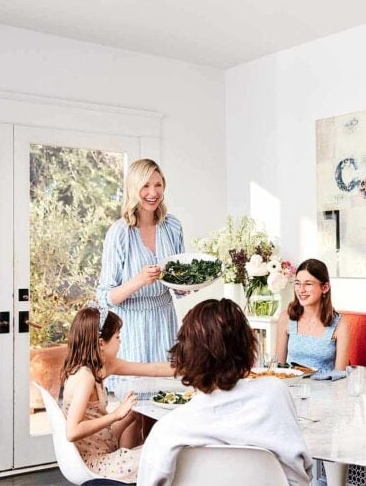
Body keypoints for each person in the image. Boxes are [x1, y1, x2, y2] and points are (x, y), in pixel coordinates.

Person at [137, 299, 312, 486]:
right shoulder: (275, 394)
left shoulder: (167, 432)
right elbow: (299, 476)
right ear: (248, 346)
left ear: (184, 355)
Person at [60, 305, 174, 483]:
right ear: (101, 343)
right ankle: (125, 471)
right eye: (117, 337)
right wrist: (116, 415)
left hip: (104, 441)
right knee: (166, 456)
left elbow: (153, 369)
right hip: (96, 462)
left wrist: (194, 368)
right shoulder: (85, 377)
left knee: (135, 413)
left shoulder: (103, 366)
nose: (120, 342)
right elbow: (72, 432)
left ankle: (126, 461)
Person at [97, 158, 184, 363]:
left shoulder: (172, 226)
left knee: (167, 381)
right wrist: (140, 280)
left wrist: (187, 285)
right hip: (130, 327)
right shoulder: (119, 233)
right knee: (134, 382)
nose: (153, 193)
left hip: (165, 321)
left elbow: (179, 282)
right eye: (145, 186)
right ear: (133, 188)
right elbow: (105, 297)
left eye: (158, 185)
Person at [275, 259, 349, 371]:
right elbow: (279, 368)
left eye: (308, 284)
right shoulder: (286, 318)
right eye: (297, 283)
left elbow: (340, 374)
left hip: (325, 382)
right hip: (292, 382)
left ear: (325, 288)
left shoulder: (340, 324)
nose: (301, 290)